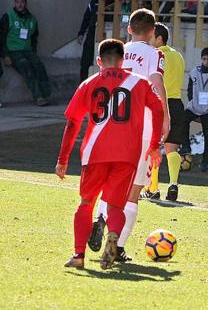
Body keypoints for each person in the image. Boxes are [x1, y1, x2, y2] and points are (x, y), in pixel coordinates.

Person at [56, 39, 163, 270]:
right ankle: (113, 236)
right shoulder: (140, 82)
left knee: (86, 203)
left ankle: (78, 255)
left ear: (99, 61)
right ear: (123, 60)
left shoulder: (88, 83)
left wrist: (62, 159)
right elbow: (158, 109)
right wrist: (154, 145)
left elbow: (72, 123)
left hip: (95, 152)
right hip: (127, 155)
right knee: (116, 206)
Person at [91, 9, 170, 262]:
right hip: (142, 129)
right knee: (134, 191)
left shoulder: (117, 52)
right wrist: (165, 117)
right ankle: (119, 247)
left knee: (113, 185)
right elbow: (156, 84)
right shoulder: (154, 54)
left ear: (129, 30)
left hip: (114, 126)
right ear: (152, 32)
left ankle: (101, 218)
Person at [142, 23, 185, 202]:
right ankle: (173, 184)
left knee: (154, 146)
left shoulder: (157, 56)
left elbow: (154, 82)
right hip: (177, 103)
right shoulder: (178, 56)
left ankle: (153, 188)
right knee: (171, 148)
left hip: (160, 103)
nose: (149, 41)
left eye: (151, 37)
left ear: (159, 38)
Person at [0, 0, 51, 106]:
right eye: (17, 2)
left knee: (39, 65)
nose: (19, 4)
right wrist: (5, 55)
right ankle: (38, 97)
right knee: (26, 67)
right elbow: (1, 37)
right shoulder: (8, 16)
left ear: (25, 3)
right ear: (15, 3)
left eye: (22, 2)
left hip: (28, 50)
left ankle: (46, 94)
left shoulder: (32, 19)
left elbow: (34, 38)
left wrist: (33, 52)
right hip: (13, 51)